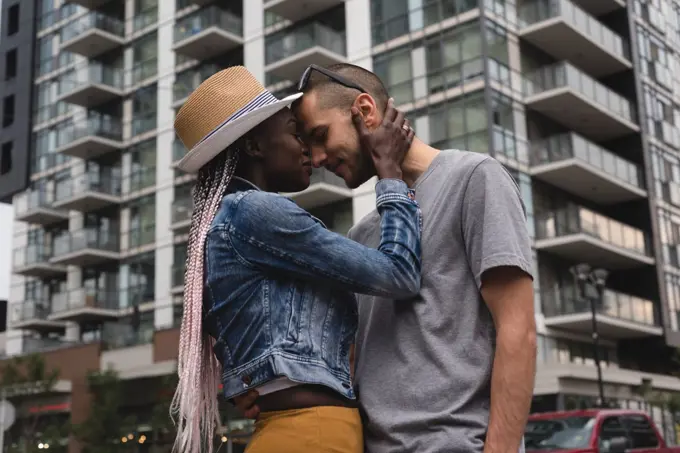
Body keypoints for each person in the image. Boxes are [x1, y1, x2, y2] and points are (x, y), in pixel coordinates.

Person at [236, 63, 537, 453]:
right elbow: (348, 359)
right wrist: (266, 388)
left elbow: (519, 331)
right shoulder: (362, 234)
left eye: (320, 135)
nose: (318, 157)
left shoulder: (474, 178)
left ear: (364, 111)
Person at [169, 65, 423, 453]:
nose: (309, 149)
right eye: (295, 133)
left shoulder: (225, 222)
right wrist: (390, 175)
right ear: (254, 147)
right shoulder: (257, 213)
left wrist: (245, 378)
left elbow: (216, 314)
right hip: (314, 432)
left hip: (292, 431)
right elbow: (399, 275)